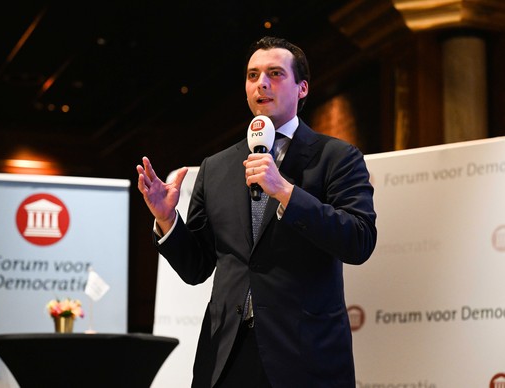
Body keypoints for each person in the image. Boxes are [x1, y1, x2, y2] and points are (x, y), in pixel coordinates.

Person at [136, 36, 377, 388]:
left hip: (304, 356)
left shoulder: (336, 158)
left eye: (275, 73)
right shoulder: (216, 167)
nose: (261, 83)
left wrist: (285, 192)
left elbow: (359, 239)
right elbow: (197, 268)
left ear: (303, 88)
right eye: (252, 75)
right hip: (226, 356)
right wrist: (167, 220)